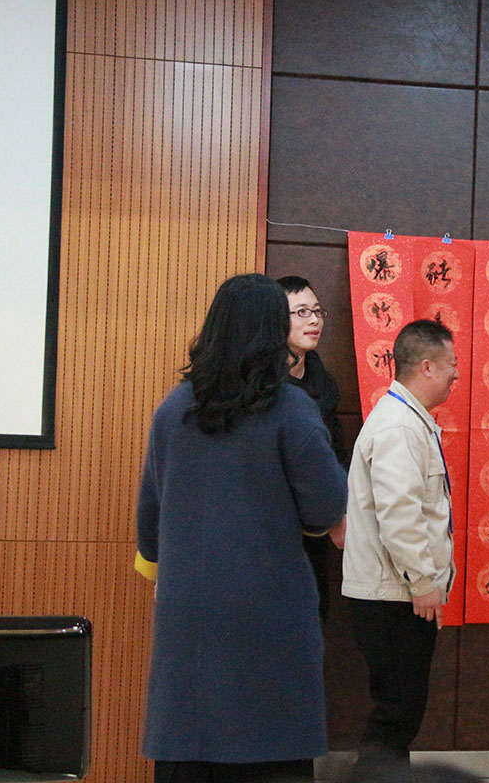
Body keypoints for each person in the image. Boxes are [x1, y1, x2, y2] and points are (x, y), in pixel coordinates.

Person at [135, 274, 348, 783]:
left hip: (187, 611)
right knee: (268, 750)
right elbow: (326, 506)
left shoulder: (174, 408)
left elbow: (150, 518)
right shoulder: (291, 408)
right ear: (273, 332)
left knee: (188, 750)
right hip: (269, 608)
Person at [341, 319, 459, 781]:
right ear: (426, 367)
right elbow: (399, 514)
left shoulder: (407, 419)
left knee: (399, 709)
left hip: (395, 592)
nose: (456, 374)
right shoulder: (398, 426)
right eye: (451, 364)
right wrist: (423, 581)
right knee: (397, 711)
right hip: (393, 596)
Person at [277, 274, 348, 618]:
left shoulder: (324, 383)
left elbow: (335, 452)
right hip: (276, 532)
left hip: (317, 534)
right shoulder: (264, 389)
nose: (314, 321)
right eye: (302, 312)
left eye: (317, 311)